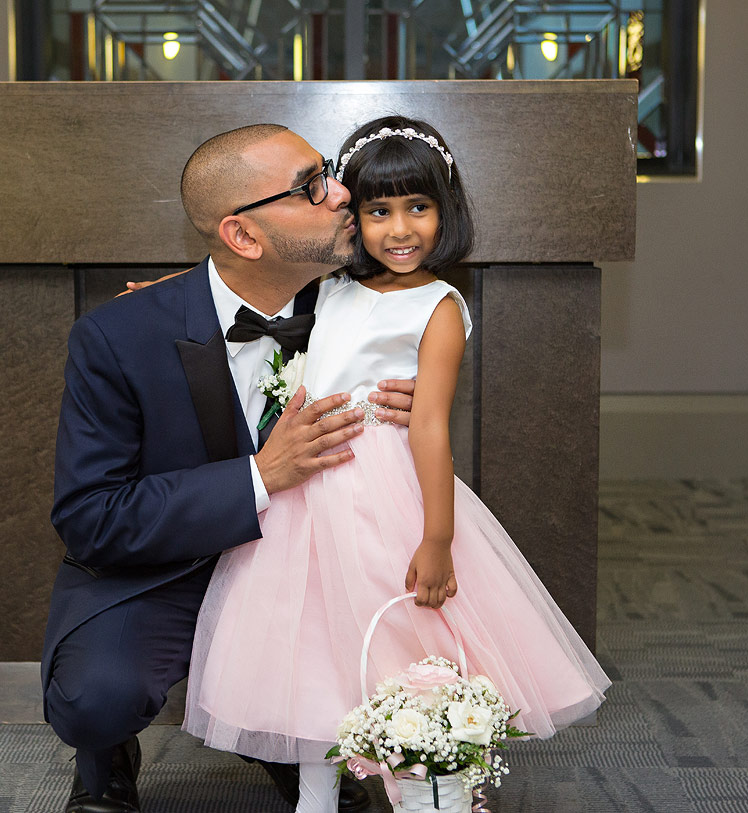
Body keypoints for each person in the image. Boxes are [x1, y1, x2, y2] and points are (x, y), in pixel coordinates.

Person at [181, 117, 613, 812]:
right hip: (304, 495)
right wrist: (169, 289)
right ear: (353, 216)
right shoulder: (328, 287)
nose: (399, 228)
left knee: (403, 644)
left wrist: (437, 536)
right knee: (313, 648)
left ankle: (432, 789)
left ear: (447, 210)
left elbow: (431, 425)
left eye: (418, 207)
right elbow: (244, 289)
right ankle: (315, 796)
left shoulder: (438, 304)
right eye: (378, 211)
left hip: (383, 490)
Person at [44, 123, 420, 813]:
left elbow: (430, 231)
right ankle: (110, 754)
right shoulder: (117, 336)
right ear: (243, 238)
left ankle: (281, 734)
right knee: (97, 697)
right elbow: (89, 517)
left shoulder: (370, 307)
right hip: (170, 567)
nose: (342, 194)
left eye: (328, 171)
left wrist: (421, 396)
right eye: (312, 187)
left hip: (316, 568)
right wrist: (259, 475)